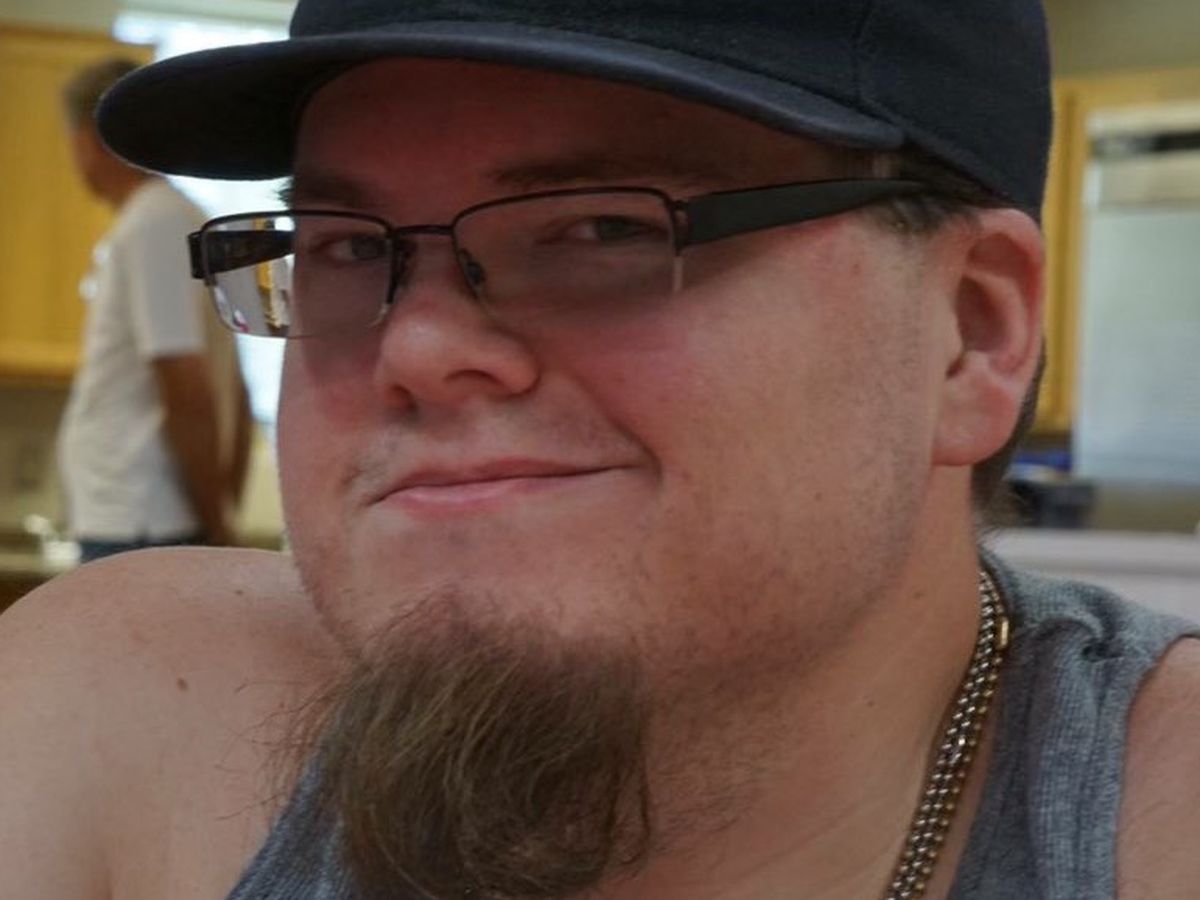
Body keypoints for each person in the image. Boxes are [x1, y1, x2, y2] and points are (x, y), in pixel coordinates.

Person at [2, 2, 1199, 898]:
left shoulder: (1152, 817)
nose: (416, 345)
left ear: (970, 335)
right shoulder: (124, 717)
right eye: (346, 247)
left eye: (604, 229)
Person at [57, 57, 252, 562]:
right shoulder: (182, 218)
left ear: (89, 139)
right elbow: (234, 386)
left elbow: (182, 374)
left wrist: (217, 522)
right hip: (151, 515)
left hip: (138, 517)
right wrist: (222, 509)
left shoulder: (154, 223)